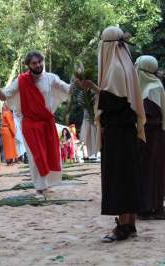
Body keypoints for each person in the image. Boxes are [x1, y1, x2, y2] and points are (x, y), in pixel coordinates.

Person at [80, 26, 146, 242]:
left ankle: (123, 227)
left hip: (119, 133)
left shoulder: (116, 68)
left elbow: (116, 101)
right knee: (127, 177)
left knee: (119, 178)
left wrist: (93, 88)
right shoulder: (125, 65)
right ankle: (130, 223)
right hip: (125, 133)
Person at [0, 51, 74, 194]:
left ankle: (46, 184)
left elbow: (68, 89)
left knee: (49, 154)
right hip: (30, 123)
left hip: (47, 122)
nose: (38, 65)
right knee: (36, 155)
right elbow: (3, 96)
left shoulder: (51, 78)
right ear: (28, 65)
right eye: (34, 63)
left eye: (40, 62)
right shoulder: (21, 80)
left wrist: (78, 80)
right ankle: (41, 187)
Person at [135, 55, 165, 220]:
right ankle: (146, 207)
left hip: (152, 137)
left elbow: (152, 116)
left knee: (151, 171)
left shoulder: (153, 88)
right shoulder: (146, 87)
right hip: (147, 136)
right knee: (146, 171)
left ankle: (152, 207)